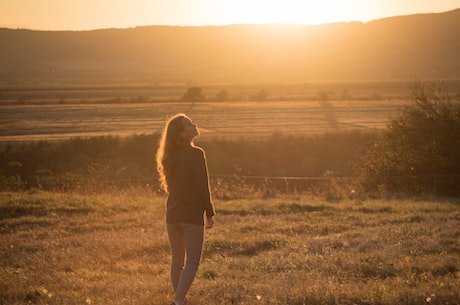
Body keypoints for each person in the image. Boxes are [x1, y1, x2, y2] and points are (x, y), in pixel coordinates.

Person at [156, 113, 215, 305]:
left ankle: (179, 299)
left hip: (172, 215)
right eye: (189, 124)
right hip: (191, 215)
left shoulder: (168, 156)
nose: (194, 125)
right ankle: (178, 301)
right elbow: (202, 186)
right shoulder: (197, 154)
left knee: (177, 262)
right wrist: (210, 212)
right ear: (182, 134)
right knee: (192, 262)